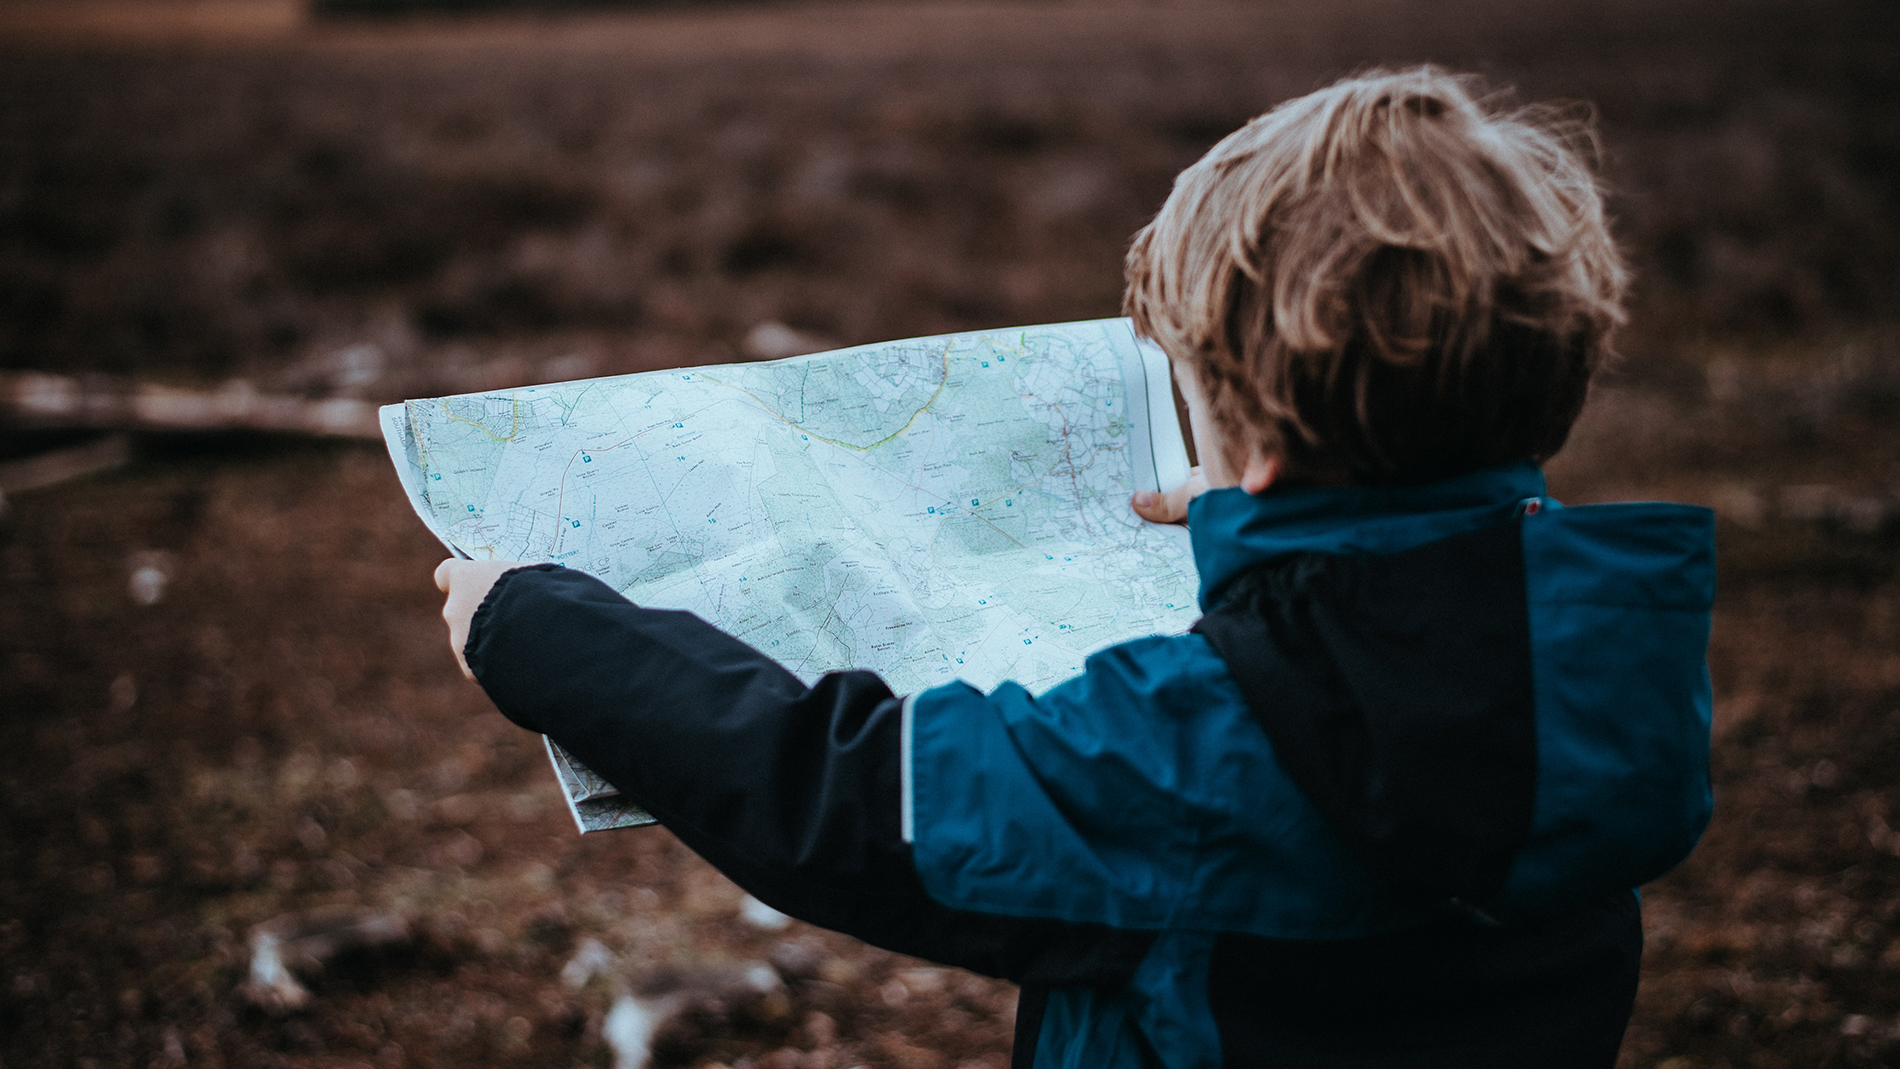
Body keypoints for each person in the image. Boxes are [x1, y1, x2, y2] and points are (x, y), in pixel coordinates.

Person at [434, 66, 1714, 1068]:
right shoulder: (1612, 668)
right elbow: (1417, 621)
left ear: (1256, 439)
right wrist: (1269, 518)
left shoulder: (1197, 752)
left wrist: (542, 632)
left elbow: (855, 803)